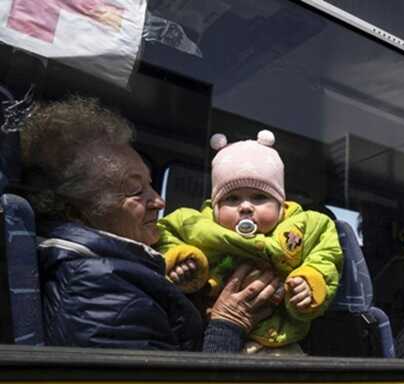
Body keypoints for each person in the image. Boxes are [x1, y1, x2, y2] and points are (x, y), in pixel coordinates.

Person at [20, 96, 280, 351]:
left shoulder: (116, 272)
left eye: (151, 184)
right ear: (76, 211)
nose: (159, 201)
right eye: (135, 190)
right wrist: (228, 324)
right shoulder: (96, 294)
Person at [155, 130, 343, 353]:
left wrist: (309, 281)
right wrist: (183, 260)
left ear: (281, 207)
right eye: (232, 199)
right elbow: (164, 234)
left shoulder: (304, 226)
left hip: (278, 339)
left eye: (259, 197)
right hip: (207, 333)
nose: (245, 206)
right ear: (215, 208)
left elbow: (326, 254)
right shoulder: (197, 225)